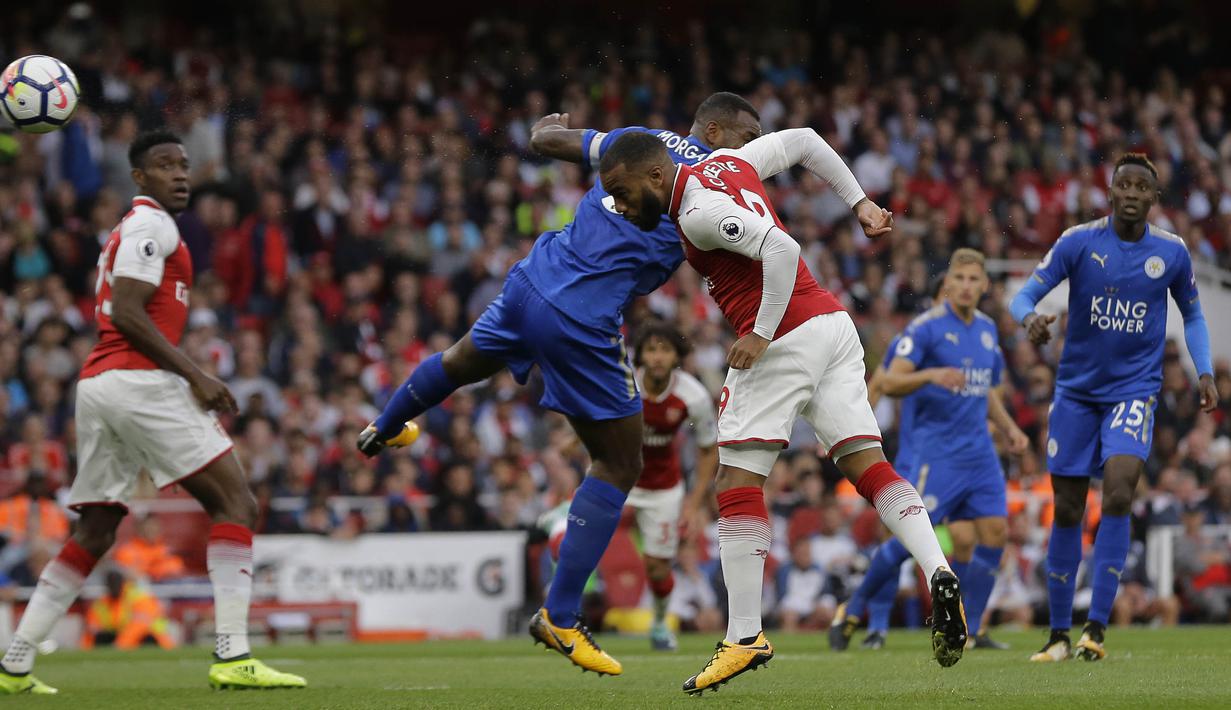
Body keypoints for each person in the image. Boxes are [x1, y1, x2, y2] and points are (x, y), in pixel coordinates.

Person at [355, 92, 763, 676]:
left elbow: (549, 141)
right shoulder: (709, 182)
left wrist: (550, 128)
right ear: (716, 129)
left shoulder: (637, 140)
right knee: (619, 464)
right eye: (747, 139)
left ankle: (384, 426)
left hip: (533, 279)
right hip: (581, 315)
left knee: (462, 360)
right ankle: (561, 615)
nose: (751, 152)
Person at [598, 129, 967, 695]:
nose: (620, 205)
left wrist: (761, 334)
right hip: (834, 325)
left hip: (784, 334)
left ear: (654, 175)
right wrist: (860, 202)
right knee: (868, 464)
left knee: (735, 480)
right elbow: (806, 142)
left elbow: (782, 249)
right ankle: (937, 568)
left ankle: (744, 636)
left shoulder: (697, 211)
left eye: (622, 192)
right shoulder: (728, 162)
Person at [0, 131, 305, 695]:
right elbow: (127, 312)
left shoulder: (137, 228)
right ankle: (233, 654)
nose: (179, 175)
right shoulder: (151, 224)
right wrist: (197, 374)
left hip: (99, 386)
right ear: (139, 178)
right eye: (164, 166)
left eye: (183, 165)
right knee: (236, 501)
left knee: (95, 529)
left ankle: (14, 663)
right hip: (139, 381)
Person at [1010, 153, 1218, 662]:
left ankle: (1096, 630)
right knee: (1069, 507)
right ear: (1110, 192)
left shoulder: (1171, 253)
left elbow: (1192, 316)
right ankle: (1059, 634)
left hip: (1133, 391)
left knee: (1121, 491)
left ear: (1153, 198)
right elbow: (1024, 296)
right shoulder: (1079, 241)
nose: (1129, 192)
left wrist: (1205, 369)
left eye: (1139, 187)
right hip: (1076, 393)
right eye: (1121, 184)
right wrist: (1029, 321)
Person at [831, 250, 1029, 652]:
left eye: (976, 279)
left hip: (979, 453)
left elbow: (986, 389)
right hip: (935, 454)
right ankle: (854, 607)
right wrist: (931, 375)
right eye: (961, 279)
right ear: (949, 284)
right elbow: (891, 380)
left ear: (985, 285)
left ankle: (967, 628)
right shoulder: (925, 329)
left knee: (995, 532)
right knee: (909, 541)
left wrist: (1009, 428)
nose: (968, 286)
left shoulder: (988, 330)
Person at [629, 321, 718, 651]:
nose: (656, 357)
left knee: (657, 567)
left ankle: (659, 624)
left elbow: (708, 449)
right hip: (618, 480)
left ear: (676, 356)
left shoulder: (691, 395)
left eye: (664, 349)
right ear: (639, 355)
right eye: (650, 349)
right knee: (580, 542)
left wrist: (693, 503)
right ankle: (564, 617)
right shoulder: (622, 384)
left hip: (663, 488)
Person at [80, 569, 176, 651]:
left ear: (123, 582)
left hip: (154, 640)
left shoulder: (138, 598)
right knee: (102, 637)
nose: (113, 586)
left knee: (146, 638)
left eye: (115, 582)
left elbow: (139, 626)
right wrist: (86, 649)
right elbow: (92, 629)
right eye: (111, 583)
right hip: (123, 639)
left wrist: (120, 645)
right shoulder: (102, 603)